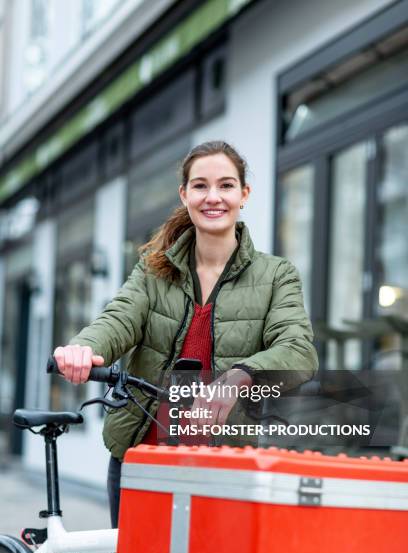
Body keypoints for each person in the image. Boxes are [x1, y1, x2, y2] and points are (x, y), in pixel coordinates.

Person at [53, 141, 318, 526]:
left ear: (244, 194)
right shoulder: (153, 270)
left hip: (226, 468)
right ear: (185, 194)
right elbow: (118, 319)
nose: (213, 197)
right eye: (200, 186)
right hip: (144, 460)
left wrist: (237, 378)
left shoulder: (276, 275)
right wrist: (82, 348)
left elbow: (297, 351)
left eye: (226, 185)